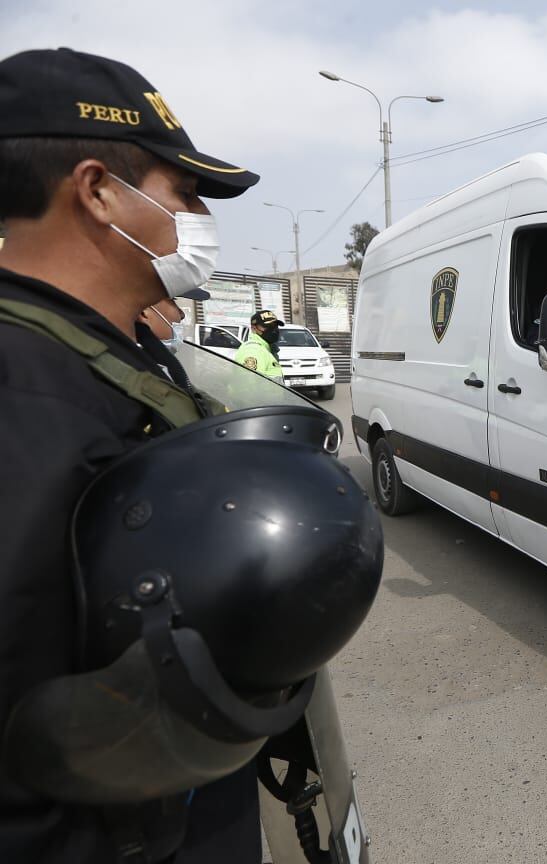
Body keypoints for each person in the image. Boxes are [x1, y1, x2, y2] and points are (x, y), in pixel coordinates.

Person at [0, 47, 261, 861]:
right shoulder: (25, 396)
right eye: (183, 194)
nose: (199, 223)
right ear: (98, 193)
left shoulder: (106, 354)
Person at [235, 308, 284, 381]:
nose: (273, 330)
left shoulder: (266, 349)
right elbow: (249, 386)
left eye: (275, 326)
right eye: (267, 326)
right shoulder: (253, 350)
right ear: (254, 328)